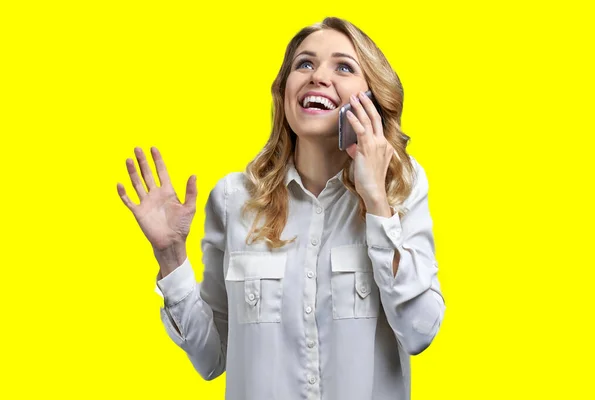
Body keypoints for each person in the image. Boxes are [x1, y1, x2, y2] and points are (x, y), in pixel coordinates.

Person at [117, 16, 445, 400]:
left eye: (343, 66)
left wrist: (377, 204)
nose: (318, 76)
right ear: (284, 92)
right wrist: (171, 256)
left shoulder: (401, 188)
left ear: (372, 98)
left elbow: (420, 332)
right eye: (304, 64)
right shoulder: (233, 199)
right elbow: (211, 358)